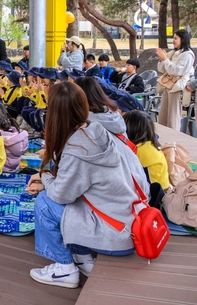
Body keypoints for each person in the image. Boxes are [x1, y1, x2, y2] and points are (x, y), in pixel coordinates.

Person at [25, 82, 149, 288]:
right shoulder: (96, 129)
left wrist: (45, 178)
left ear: (55, 113)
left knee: (45, 203)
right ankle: (83, 259)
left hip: (116, 233)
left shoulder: (78, 147)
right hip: (128, 221)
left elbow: (60, 196)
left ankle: (64, 269)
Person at [157, 30, 195, 130]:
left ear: (183, 40)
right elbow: (162, 69)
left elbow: (177, 71)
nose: (173, 41)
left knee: (173, 116)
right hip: (168, 86)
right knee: (163, 115)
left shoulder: (187, 54)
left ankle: (173, 141)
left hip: (177, 88)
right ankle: (163, 138)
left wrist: (165, 59)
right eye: (173, 38)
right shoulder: (174, 52)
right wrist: (162, 59)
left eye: (175, 38)